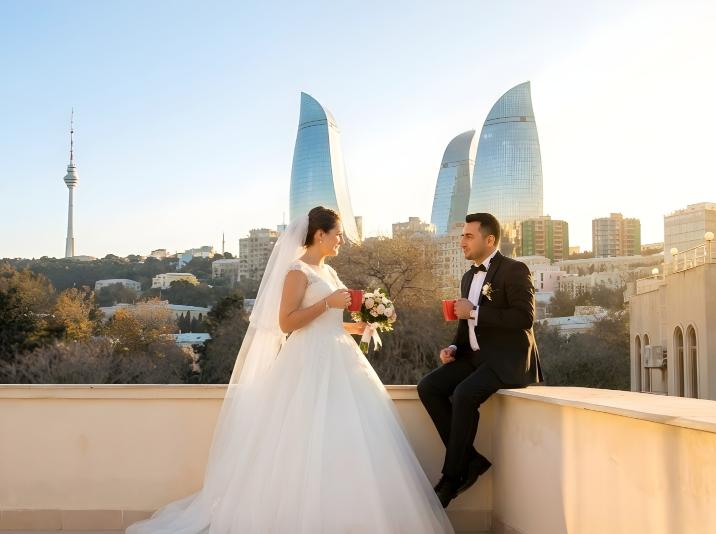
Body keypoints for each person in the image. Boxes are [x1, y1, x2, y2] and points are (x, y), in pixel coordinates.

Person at [126, 206, 453, 534]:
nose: (341, 240)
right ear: (320, 234)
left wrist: (361, 325)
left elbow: (329, 324)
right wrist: (327, 303)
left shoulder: (329, 272)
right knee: (303, 438)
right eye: (338, 234)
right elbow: (287, 322)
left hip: (340, 356)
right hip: (308, 361)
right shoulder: (297, 272)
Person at [417, 212, 544, 508]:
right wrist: (453, 347)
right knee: (429, 387)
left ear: (489, 240)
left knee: (464, 394)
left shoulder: (514, 269)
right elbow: (467, 325)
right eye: (462, 236)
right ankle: (472, 460)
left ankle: (451, 478)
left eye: (468, 236)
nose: (462, 242)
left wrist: (474, 311)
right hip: (474, 357)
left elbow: (524, 317)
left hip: (506, 360)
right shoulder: (467, 277)